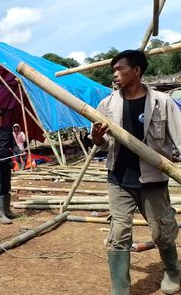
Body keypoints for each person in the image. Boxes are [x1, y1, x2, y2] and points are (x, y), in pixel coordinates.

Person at [91, 50, 181, 295]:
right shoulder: (106, 104)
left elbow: (179, 136)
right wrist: (97, 137)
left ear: (137, 71)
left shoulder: (162, 102)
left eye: (120, 69)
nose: (115, 74)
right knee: (118, 233)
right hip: (119, 178)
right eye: (114, 70)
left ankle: (173, 272)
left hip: (153, 178)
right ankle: (120, 289)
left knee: (161, 231)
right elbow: (98, 143)